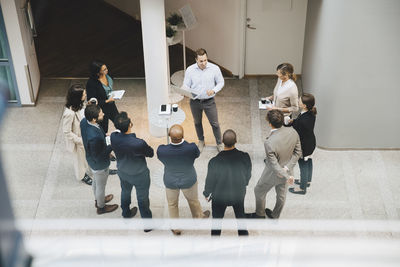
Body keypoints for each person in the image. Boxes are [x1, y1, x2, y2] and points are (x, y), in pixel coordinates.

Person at [247, 110, 301, 219]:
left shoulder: (269, 142)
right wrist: (287, 169)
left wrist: (286, 175)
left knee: (259, 190)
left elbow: (273, 164)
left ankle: (260, 214)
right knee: (281, 196)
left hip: (272, 174)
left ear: (270, 123)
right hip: (288, 171)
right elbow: (298, 153)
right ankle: (275, 215)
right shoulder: (293, 132)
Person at [157, 124, 210, 236]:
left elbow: (160, 156)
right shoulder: (191, 148)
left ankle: (176, 228)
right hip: (188, 180)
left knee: (172, 204)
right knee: (193, 201)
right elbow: (197, 155)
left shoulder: (162, 150)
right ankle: (198, 218)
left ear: (169, 136)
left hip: (170, 181)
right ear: (183, 136)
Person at [203, 129, 252, 236]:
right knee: (240, 216)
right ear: (236, 141)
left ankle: (215, 240)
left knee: (217, 221)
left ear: (222, 141)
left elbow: (210, 181)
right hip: (238, 194)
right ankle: (244, 237)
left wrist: (207, 193)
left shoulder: (214, 161)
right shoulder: (245, 157)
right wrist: (244, 184)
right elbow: (248, 174)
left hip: (220, 197)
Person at [110, 112, 154, 230]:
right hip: (140, 174)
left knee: (125, 192)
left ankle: (126, 213)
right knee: (142, 198)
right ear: (130, 124)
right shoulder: (138, 143)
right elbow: (150, 153)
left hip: (123, 172)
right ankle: (147, 224)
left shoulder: (113, 137)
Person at [183, 48, 225, 152]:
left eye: (205, 60)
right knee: (197, 122)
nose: (204, 63)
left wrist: (214, 90)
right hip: (195, 101)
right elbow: (186, 85)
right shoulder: (190, 70)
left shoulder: (214, 68)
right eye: (201, 61)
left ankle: (219, 143)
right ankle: (201, 141)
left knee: (215, 124)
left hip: (209, 101)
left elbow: (221, 82)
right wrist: (184, 91)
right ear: (196, 60)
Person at [80, 104, 118, 214]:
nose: (104, 114)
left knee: (96, 182)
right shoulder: (94, 137)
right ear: (93, 118)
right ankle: (101, 207)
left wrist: (105, 136)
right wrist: (111, 144)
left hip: (91, 158)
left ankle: (98, 199)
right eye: (101, 114)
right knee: (101, 185)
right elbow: (100, 155)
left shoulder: (84, 122)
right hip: (99, 164)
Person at [62, 84, 92, 185]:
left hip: (85, 134)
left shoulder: (80, 105)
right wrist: (79, 140)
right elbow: (66, 131)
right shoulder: (69, 113)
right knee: (79, 160)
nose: (85, 95)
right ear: (77, 97)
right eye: (84, 94)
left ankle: (90, 169)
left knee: (87, 155)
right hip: (78, 140)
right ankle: (82, 176)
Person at [287, 93, 317, 195]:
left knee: (303, 165)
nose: (298, 101)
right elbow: (300, 122)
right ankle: (307, 181)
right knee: (308, 161)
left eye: (300, 101)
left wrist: (292, 123)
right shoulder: (309, 113)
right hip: (310, 143)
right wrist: (294, 121)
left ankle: (302, 188)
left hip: (304, 146)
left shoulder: (304, 120)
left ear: (304, 105)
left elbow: (298, 130)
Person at [86, 60, 119, 134]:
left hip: (111, 104)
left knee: (119, 122)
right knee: (104, 128)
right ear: (98, 72)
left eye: (106, 68)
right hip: (102, 108)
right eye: (104, 69)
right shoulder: (91, 83)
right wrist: (107, 101)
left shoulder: (107, 75)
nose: (107, 70)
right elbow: (92, 101)